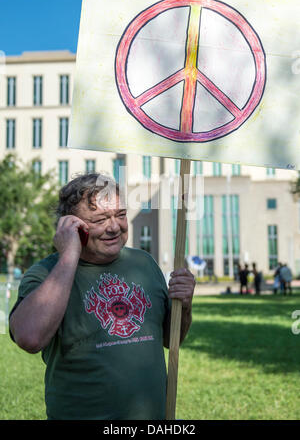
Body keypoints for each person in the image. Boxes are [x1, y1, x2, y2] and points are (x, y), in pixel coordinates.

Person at [9, 173, 195, 420]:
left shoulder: (145, 264)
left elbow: (172, 340)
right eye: (99, 219)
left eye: (120, 215)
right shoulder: (45, 274)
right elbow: (29, 338)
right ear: (70, 226)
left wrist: (185, 306)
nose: (115, 227)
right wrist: (68, 256)